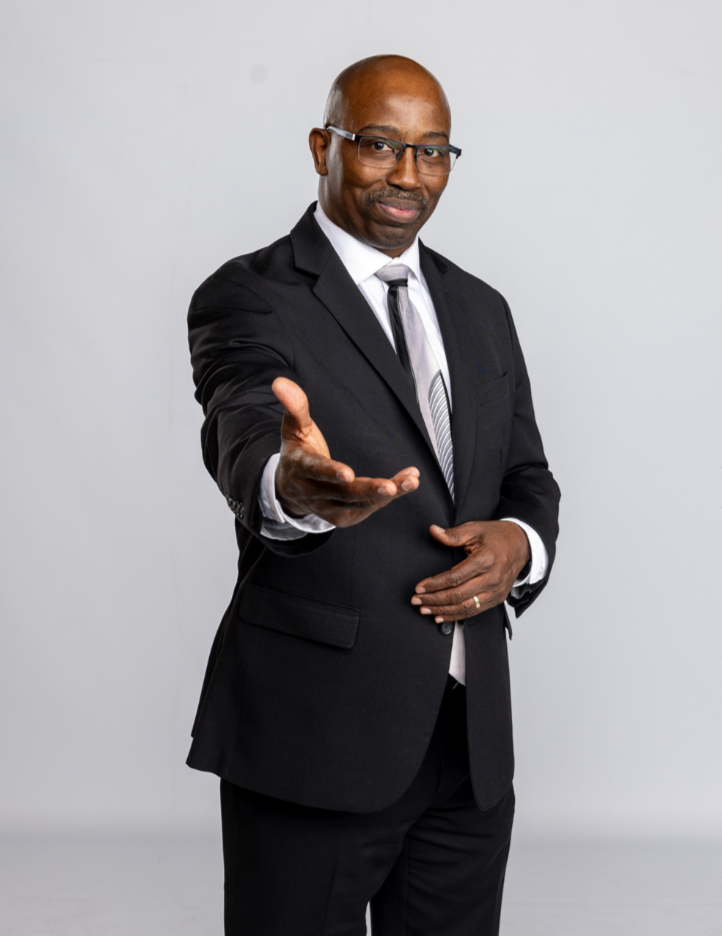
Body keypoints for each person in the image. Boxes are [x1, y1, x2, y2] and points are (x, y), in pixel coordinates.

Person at [187, 54, 560, 936]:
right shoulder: (250, 294)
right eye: (380, 145)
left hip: (469, 744)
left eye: (433, 151)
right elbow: (246, 424)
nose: (409, 175)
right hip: (316, 735)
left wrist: (520, 542)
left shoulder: (482, 308)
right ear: (324, 146)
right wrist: (294, 486)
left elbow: (526, 474)